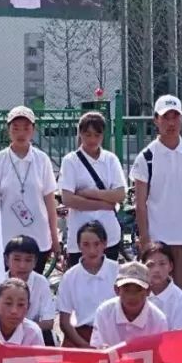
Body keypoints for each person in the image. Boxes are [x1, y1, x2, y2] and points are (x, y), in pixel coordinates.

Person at [129, 95, 182, 291]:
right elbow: (140, 204)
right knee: (155, 296)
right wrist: (145, 239)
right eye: (165, 117)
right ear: (156, 120)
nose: (171, 123)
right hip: (157, 241)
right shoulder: (146, 158)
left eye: (175, 116)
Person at [0, 106, 60, 272]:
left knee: (34, 281)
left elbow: (49, 200)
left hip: (38, 235)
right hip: (7, 237)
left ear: (33, 130)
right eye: (15, 128)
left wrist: (54, 237)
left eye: (26, 128)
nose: (21, 133)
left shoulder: (42, 160)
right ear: (8, 131)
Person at [59, 112, 126, 265]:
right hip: (80, 236)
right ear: (80, 134)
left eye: (97, 135)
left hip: (108, 234)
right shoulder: (70, 161)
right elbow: (68, 199)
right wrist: (104, 204)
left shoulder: (110, 159)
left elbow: (120, 194)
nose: (92, 140)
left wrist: (89, 193)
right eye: (87, 134)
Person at [56, 221, 118, 348]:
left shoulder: (118, 271)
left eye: (97, 244)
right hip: (81, 335)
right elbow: (65, 321)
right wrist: (85, 346)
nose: (92, 250)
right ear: (79, 246)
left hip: (114, 333)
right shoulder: (70, 276)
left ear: (105, 243)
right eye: (85, 244)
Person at [4, 235, 57, 346]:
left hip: (32, 333)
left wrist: (23, 330)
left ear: (35, 262)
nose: (22, 265)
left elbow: (48, 322)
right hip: (3, 334)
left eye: (28, 260)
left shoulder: (41, 282)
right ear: (7, 260)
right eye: (17, 259)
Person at [141, 241, 182, 329]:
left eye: (162, 264)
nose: (156, 270)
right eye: (150, 265)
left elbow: (178, 333)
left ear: (171, 266)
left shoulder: (180, 299)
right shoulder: (137, 292)